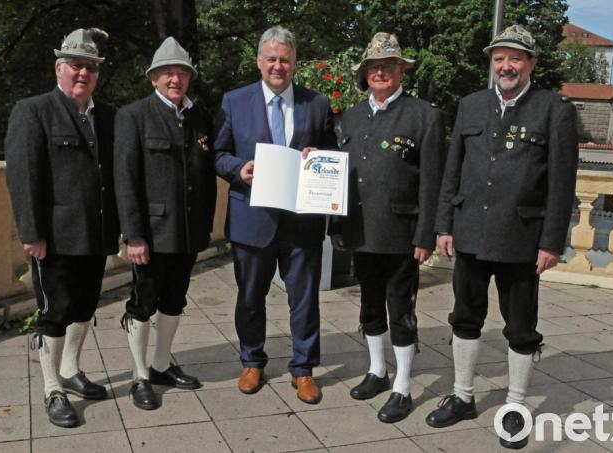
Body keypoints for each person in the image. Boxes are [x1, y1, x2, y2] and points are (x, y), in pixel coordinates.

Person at [424, 25, 578, 449]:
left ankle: (514, 405)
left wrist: (551, 242)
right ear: (491, 63)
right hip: (470, 233)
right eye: (499, 58)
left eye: (515, 58)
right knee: (464, 318)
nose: (506, 66)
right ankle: (462, 396)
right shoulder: (471, 106)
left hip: (522, 240)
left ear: (531, 64)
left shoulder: (554, 110)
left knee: (521, 327)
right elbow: (452, 169)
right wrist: (444, 224)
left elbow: (562, 185)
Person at [323, 32, 446, 423]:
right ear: (365, 74)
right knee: (370, 306)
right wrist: (337, 225)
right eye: (373, 67)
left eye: (388, 65)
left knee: (401, 310)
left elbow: (433, 181)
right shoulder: (352, 116)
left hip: (401, 233)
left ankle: (403, 386)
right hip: (361, 231)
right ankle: (378, 371)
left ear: (400, 71)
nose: (380, 72)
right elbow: (344, 175)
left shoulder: (424, 116)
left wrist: (425, 234)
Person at [213, 25, 336, 404]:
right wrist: (239, 169)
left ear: (294, 62)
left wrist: (318, 157)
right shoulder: (234, 101)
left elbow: (332, 153)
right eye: (271, 59)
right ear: (259, 61)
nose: (278, 66)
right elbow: (217, 154)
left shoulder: (315, 104)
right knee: (251, 296)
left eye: (285, 59)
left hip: (302, 221)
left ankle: (303, 369)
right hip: (253, 218)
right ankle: (252, 360)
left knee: (304, 298)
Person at [4, 28, 119, 428]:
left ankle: (70, 369)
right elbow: (23, 177)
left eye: (90, 67)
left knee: (85, 308)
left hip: (96, 234)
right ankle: (53, 388)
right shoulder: (33, 110)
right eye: (76, 65)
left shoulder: (107, 116)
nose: (83, 73)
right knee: (54, 313)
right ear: (59, 68)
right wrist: (31, 233)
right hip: (52, 238)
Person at [113, 37, 215, 410]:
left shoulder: (199, 116)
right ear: (154, 78)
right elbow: (125, 178)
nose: (176, 79)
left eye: (182, 73)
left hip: (187, 232)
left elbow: (205, 174)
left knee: (175, 300)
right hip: (151, 235)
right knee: (143, 303)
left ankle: (161, 364)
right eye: (168, 73)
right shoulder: (133, 116)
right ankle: (140, 376)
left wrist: (204, 226)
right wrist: (134, 234)